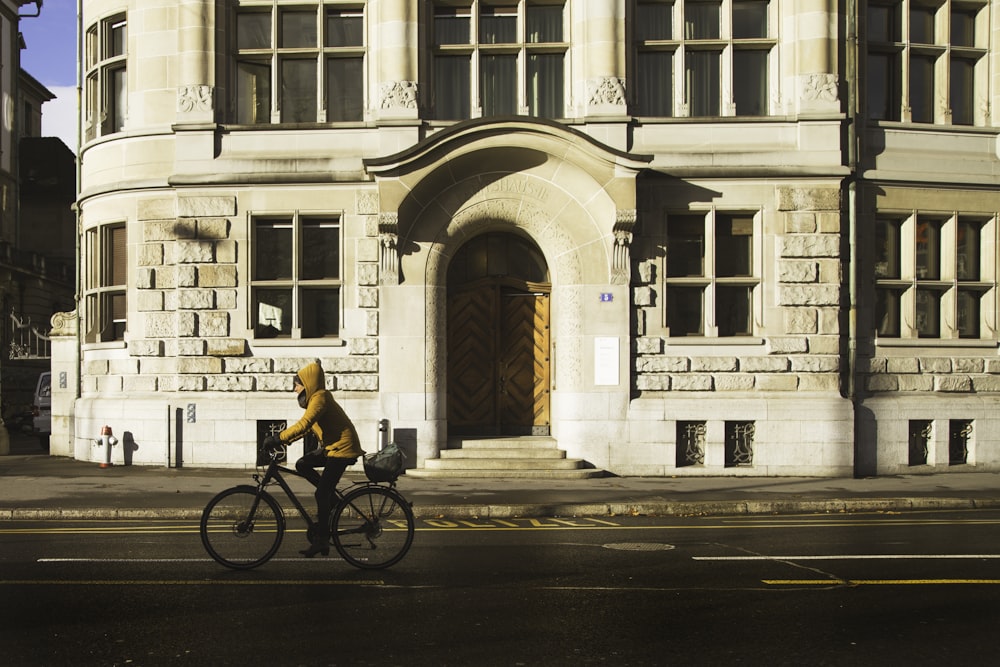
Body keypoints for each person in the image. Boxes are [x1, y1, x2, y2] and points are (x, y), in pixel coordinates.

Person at [263, 360, 363, 557]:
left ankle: (322, 540)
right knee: (302, 464)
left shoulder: (320, 398)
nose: (295, 390)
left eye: (297, 385)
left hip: (342, 449)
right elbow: (307, 428)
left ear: (307, 384)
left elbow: (304, 423)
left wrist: (277, 438)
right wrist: (284, 441)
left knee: (321, 494)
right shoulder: (315, 399)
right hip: (331, 448)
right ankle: (331, 499)